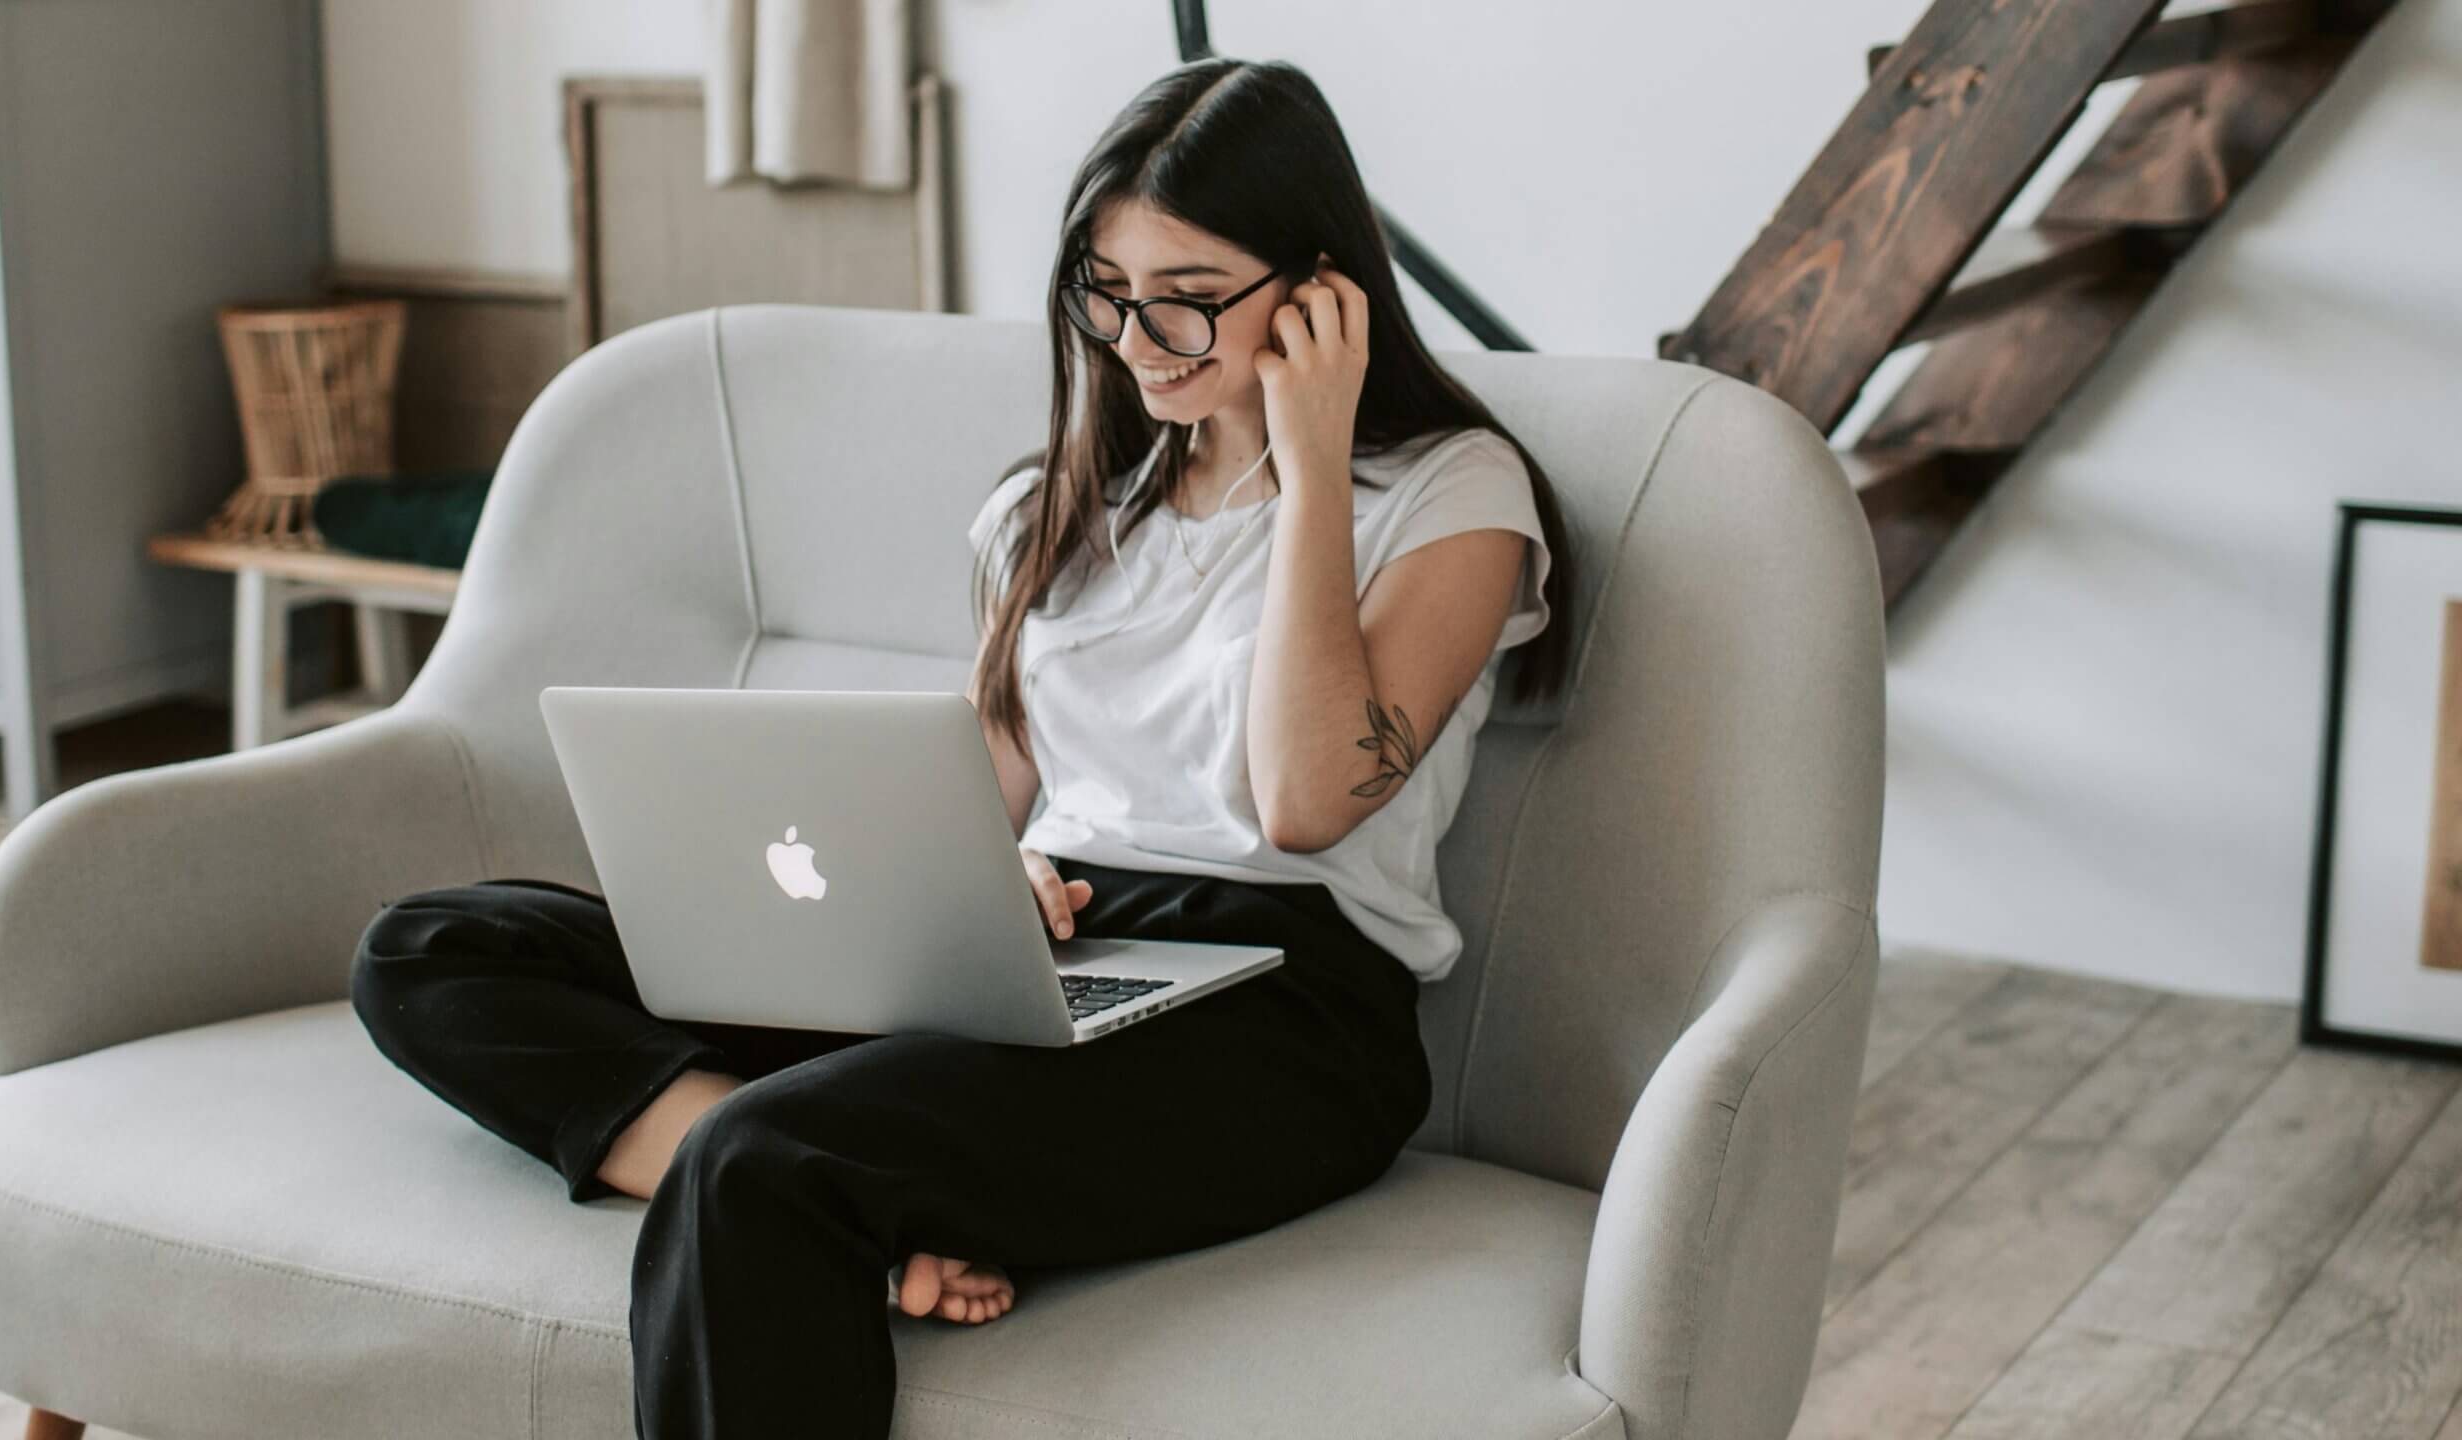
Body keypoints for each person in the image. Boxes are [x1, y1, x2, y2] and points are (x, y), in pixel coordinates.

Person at [348, 54, 1578, 1440]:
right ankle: (820, 1182)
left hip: (1286, 1019)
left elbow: (1302, 800)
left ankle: (793, 1169)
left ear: (1320, 290)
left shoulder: (1453, 498)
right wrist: (952, 901)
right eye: (1107, 296)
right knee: (432, 948)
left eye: (1189, 300)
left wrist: (1308, 457)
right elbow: (983, 799)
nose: (1139, 339)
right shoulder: (1051, 514)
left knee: (771, 1161)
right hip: (1046, 949)